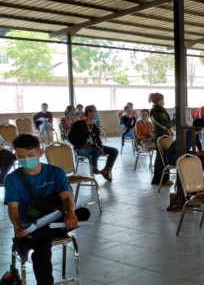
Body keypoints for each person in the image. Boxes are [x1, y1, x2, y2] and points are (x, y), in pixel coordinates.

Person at [4, 134, 90, 285]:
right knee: (42, 247)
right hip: (30, 222)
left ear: (40, 153)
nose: (25, 159)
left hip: (53, 216)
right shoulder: (12, 178)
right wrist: (17, 226)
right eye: (20, 156)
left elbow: (66, 197)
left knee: (83, 213)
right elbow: (13, 207)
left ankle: (27, 240)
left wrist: (70, 212)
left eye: (30, 155)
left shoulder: (55, 172)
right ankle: (33, 237)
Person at [67, 105, 118, 182]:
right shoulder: (78, 124)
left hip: (93, 147)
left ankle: (106, 170)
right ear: (89, 112)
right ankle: (93, 167)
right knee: (95, 150)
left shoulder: (94, 127)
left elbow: (97, 139)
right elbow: (69, 137)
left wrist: (101, 148)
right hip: (81, 149)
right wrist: (80, 145)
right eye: (95, 112)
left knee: (114, 151)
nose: (96, 113)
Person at [148, 93, 175, 186]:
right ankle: (161, 180)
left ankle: (159, 179)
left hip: (159, 135)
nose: (163, 101)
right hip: (161, 136)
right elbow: (166, 123)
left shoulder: (154, 110)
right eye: (162, 99)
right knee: (163, 158)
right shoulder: (158, 111)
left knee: (160, 158)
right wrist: (176, 117)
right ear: (159, 100)